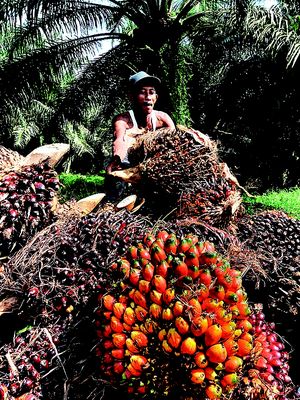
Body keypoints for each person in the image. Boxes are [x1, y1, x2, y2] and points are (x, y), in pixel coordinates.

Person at [107, 71, 175, 173]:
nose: (148, 97)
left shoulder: (163, 119)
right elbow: (120, 140)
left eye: (151, 92)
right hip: (129, 166)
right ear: (131, 96)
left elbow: (175, 141)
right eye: (142, 92)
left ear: (156, 98)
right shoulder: (123, 120)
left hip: (155, 165)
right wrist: (117, 159)